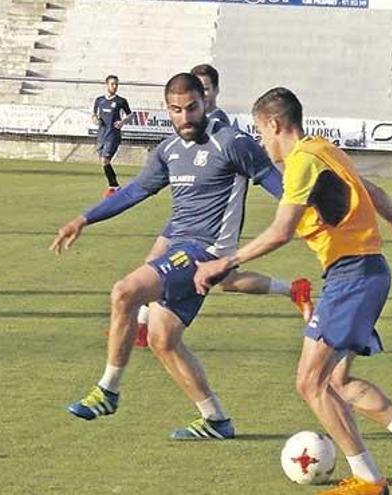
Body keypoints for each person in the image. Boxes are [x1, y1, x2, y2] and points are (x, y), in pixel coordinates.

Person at [194, 88, 392, 494]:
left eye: (260, 132)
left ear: (275, 124)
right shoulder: (324, 149)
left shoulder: (302, 161)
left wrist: (225, 262)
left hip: (353, 278)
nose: (261, 142)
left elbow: (280, 231)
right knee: (336, 383)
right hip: (366, 273)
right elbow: (374, 192)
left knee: (309, 383)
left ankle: (368, 480)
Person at [50, 73, 285, 439]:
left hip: (207, 252)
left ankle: (108, 390)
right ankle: (215, 420)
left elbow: (281, 188)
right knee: (163, 340)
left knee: (124, 291)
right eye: (177, 110)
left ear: (204, 103)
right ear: (167, 109)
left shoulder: (232, 143)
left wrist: (315, 216)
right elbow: (135, 191)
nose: (186, 116)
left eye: (192, 107)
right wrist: (84, 218)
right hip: (180, 250)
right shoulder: (168, 150)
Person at [132, 63, 312, 348]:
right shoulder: (189, 123)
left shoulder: (221, 129)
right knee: (227, 280)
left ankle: (142, 327)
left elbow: (249, 173)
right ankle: (292, 289)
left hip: (209, 221)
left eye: (204, 89)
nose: (196, 97)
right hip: (187, 213)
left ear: (212, 93)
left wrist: (300, 210)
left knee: (155, 266)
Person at [92, 75, 132, 197]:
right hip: (101, 135)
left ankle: (113, 186)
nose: (114, 86)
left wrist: (122, 122)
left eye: (116, 84)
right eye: (112, 84)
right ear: (107, 85)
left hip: (113, 135)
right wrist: (95, 119)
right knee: (103, 161)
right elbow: (94, 115)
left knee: (105, 160)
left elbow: (130, 115)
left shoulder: (121, 101)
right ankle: (115, 186)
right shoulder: (99, 100)